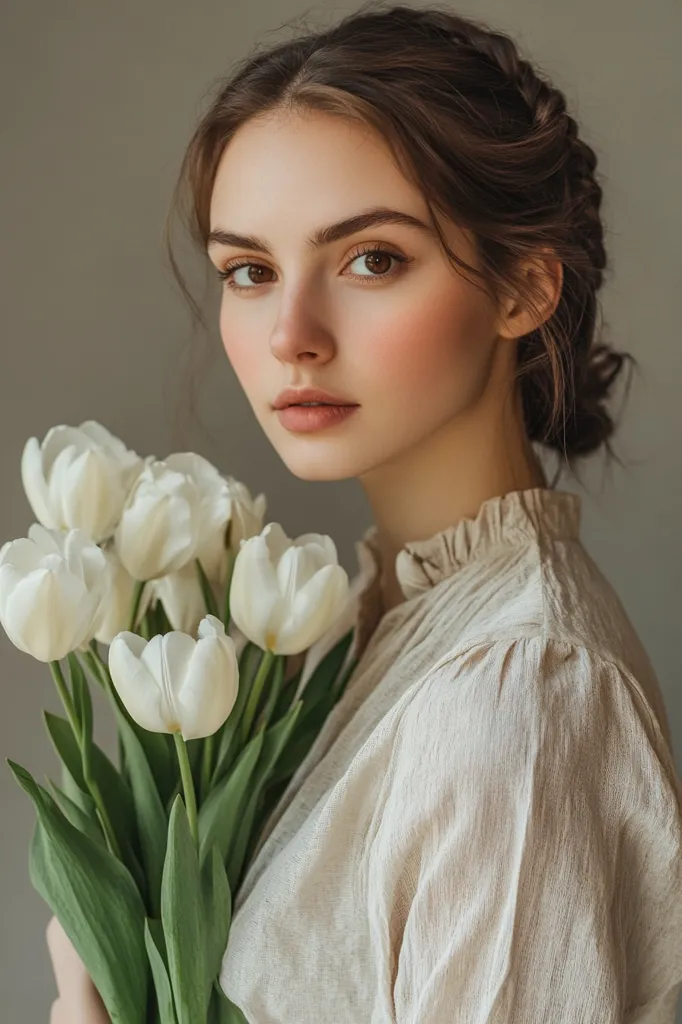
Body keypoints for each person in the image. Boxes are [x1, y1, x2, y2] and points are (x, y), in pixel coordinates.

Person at [46, 3, 682, 1022]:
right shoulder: (357, 620)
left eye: (370, 259)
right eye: (249, 271)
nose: (291, 333)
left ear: (524, 284)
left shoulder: (516, 691)